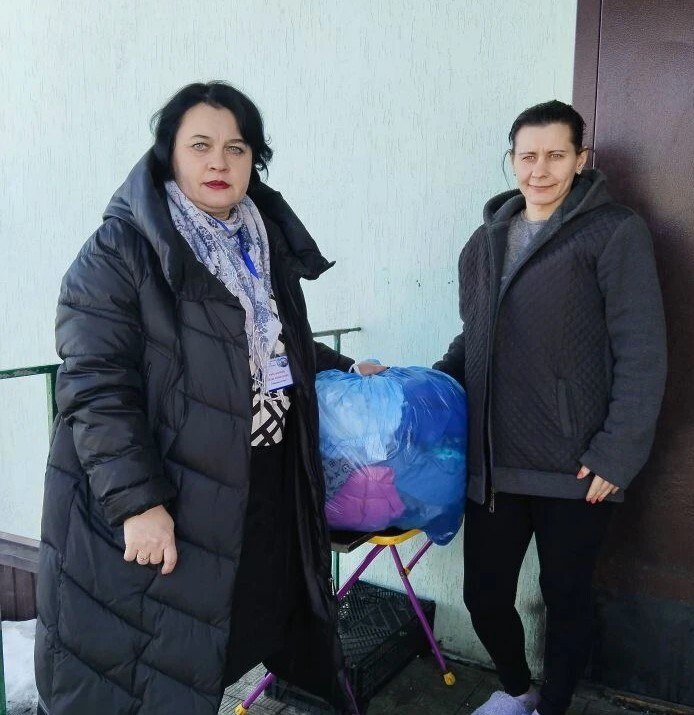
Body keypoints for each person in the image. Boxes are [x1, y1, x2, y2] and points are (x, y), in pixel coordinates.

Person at [34, 81, 383, 715]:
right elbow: (96, 385)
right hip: (169, 491)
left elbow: (271, 342)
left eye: (236, 148)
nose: (219, 162)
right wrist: (139, 502)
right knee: (151, 665)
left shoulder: (259, 242)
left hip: (255, 484)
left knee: (218, 645)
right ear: (169, 154)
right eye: (200, 145)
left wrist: (344, 367)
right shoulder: (121, 249)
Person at [434, 100, 667, 715]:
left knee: (566, 599)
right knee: (485, 596)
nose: (540, 169)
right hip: (494, 464)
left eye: (556, 155)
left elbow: (642, 349)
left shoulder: (614, 232)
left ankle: (554, 707)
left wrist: (618, 453)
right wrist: (422, 385)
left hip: (577, 466)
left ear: (581, 159)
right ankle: (517, 692)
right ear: (512, 160)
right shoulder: (483, 243)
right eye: (528, 156)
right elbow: (474, 336)